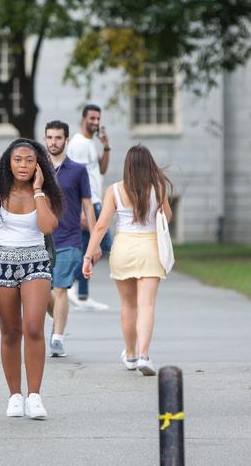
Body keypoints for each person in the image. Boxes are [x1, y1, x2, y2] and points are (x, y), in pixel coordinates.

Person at [0, 138, 62, 419]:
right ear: (8, 164)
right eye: (18, 160)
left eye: (29, 160)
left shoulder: (46, 195)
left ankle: (34, 396)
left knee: (34, 327)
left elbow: (48, 226)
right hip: (1, 265)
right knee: (10, 332)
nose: (23, 165)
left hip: (36, 262)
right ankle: (15, 396)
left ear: (38, 165)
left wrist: (36, 190)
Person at [82, 145, 172, 376]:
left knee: (127, 305)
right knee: (147, 305)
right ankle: (144, 355)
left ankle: (130, 354)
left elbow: (101, 226)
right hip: (150, 248)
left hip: (123, 249)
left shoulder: (114, 190)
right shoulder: (158, 188)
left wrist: (89, 255)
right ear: (149, 165)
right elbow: (167, 217)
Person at [43, 120, 102, 358]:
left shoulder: (78, 170)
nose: (53, 142)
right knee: (42, 291)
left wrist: (94, 242)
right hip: (40, 241)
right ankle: (57, 321)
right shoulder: (38, 169)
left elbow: (88, 207)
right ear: (45, 139)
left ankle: (57, 337)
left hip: (69, 240)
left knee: (60, 289)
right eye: (49, 137)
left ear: (66, 140)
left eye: (58, 138)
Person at [66, 104, 113, 309]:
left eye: (97, 119)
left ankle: (82, 295)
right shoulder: (78, 144)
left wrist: (106, 146)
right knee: (103, 245)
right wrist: (80, 211)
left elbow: (101, 170)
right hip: (86, 204)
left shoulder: (91, 143)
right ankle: (65, 285)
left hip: (95, 201)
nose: (95, 122)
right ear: (82, 119)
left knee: (87, 249)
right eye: (91, 118)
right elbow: (73, 177)